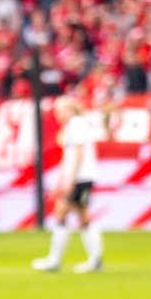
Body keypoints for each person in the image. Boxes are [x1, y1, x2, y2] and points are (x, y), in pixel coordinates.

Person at [31, 96, 104, 274]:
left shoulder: (76, 123)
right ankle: (94, 260)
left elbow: (78, 153)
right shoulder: (73, 126)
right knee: (83, 217)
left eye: (60, 110)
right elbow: (68, 157)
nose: (57, 114)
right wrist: (60, 179)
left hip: (81, 178)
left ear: (70, 109)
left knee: (62, 214)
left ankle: (55, 260)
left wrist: (70, 180)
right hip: (80, 178)